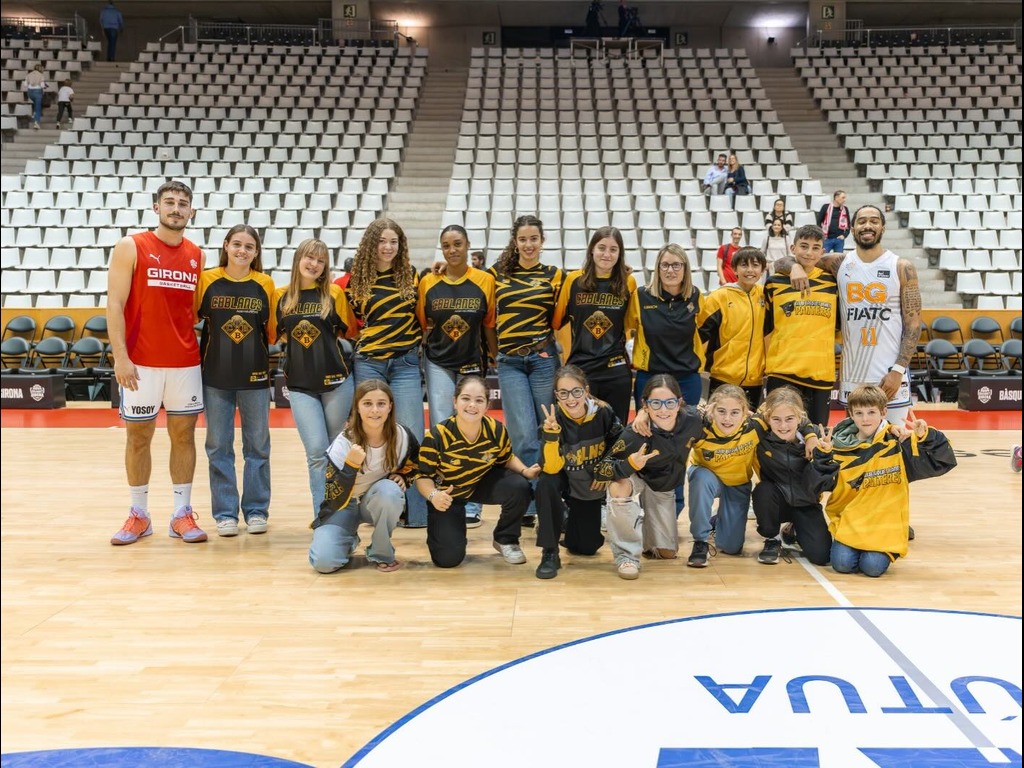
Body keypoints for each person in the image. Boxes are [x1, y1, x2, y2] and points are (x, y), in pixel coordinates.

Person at [108, 180, 207, 546]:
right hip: (141, 363)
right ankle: (139, 514)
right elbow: (114, 305)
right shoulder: (131, 246)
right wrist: (121, 356)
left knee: (184, 436)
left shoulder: (198, 254)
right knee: (138, 437)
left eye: (183, 203)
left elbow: (192, 311)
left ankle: (181, 513)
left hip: (184, 362)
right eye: (170, 202)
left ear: (191, 211)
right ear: (156, 208)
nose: (176, 209)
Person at [787, 205, 921, 425]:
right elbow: (794, 258)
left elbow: (914, 325)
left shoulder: (901, 266)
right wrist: (794, 267)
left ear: (883, 228)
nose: (867, 226)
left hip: (889, 374)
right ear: (852, 228)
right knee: (857, 444)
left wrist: (898, 370)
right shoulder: (838, 263)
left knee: (894, 440)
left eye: (874, 221)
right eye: (862, 221)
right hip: (853, 373)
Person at [812, 385, 956, 577]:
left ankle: (892, 539)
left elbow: (942, 462)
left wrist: (927, 437)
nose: (865, 419)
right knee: (842, 564)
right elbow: (819, 485)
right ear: (851, 415)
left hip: (884, 524)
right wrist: (822, 456)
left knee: (872, 567)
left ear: (884, 412)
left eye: (871, 412)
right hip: (851, 521)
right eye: (859, 413)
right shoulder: (837, 446)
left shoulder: (897, 442)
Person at [195, 225, 276, 537]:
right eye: (237, 244)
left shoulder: (264, 284)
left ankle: (256, 510)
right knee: (218, 446)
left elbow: (269, 332)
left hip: (254, 377)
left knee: (257, 446)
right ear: (226, 245)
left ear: (256, 253)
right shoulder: (207, 280)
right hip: (215, 377)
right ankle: (225, 513)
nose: (243, 251)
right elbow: (192, 318)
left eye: (250, 247)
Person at [347, 218, 427, 527]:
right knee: (371, 436)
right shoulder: (357, 281)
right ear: (371, 244)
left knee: (412, 438)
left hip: (405, 363)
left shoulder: (412, 276)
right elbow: (354, 323)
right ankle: (376, 505)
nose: (388, 247)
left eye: (394, 242)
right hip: (369, 364)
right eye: (382, 241)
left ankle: (418, 515)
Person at [418, 225, 497, 528]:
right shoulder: (429, 281)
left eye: (458, 244)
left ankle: (472, 502)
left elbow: (488, 324)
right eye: (446, 245)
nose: (452, 250)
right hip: (437, 361)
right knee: (442, 428)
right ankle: (443, 495)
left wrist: (494, 355)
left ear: (468, 246)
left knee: (471, 427)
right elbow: (424, 323)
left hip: (470, 363)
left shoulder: (484, 280)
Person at [273, 238, 358, 518]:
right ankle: (324, 516)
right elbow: (278, 335)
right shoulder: (280, 296)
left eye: (321, 260)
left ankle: (343, 513)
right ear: (298, 259)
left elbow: (349, 332)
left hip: (337, 384)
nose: (314, 264)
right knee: (316, 454)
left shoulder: (333, 293)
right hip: (300, 387)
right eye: (310, 258)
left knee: (337, 452)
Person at [416, 376, 540, 568]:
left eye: (479, 400)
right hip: (448, 494)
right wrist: (434, 496)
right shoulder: (437, 435)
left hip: (481, 483)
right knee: (447, 560)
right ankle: (450, 534)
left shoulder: (496, 429)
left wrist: (525, 470)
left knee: (519, 485)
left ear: (487, 404)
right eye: (466, 398)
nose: (472, 405)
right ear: (455, 401)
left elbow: (506, 458)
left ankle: (506, 539)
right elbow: (423, 476)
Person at [489, 215, 565, 527]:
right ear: (515, 242)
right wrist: (497, 354)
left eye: (534, 238)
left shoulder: (554, 275)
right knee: (521, 433)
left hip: (543, 358)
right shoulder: (497, 274)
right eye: (523, 239)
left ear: (542, 241)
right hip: (510, 363)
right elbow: (489, 320)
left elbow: (567, 311)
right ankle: (532, 501)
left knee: (547, 429)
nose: (529, 244)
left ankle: (549, 496)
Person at [310, 380, 420, 573]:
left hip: (374, 501)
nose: (375, 410)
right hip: (344, 505)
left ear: (390, 407)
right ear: (357, 408)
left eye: (381, 403)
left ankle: (381, 551)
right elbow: (333, 496)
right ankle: (348, 538)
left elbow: (417, 465)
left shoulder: (402, 436)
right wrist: (350, 467)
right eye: (367, 403)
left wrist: (404, 476)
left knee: (390, 491)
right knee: (323, 563)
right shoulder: (343, 443)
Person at [605, 375, 703, 578]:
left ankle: (642, 527)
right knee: (619, 487)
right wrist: (630, 465)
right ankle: (626, 556)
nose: (663, 409)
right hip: (636, 477)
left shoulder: (694, 420)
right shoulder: (636, 432)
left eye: (670, 402)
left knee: (666, 553)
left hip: (662, 485)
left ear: (679, 402)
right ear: (645, 404)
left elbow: (723, 419)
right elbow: (603, 468)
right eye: (655, 403)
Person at [534, 365, 624, 579]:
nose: (570, 398)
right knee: (546, 482)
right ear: (556, 395)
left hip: (588, 480)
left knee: (586, 547)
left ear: (586, 389)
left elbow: (619, 444)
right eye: (563, 393)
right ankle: (549, 551)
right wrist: (552, 434)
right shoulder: (551, 421)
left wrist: (606, 469)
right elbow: (551, 467)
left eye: (576, 391)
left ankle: (564, 518)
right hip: (563, 476)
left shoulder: (604, 412)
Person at [553, 226, 637, 423]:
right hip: (582, 369)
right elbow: (557, 322)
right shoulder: (574, 280)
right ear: (591, 249)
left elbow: (630, 323)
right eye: (601, 248)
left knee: (616, 431)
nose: (606, 254)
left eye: (613, 249)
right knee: (581, 432)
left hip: (615, 368)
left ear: (620, 253)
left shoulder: (629, 282)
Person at [763, 224, 838, 425]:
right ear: (793, 248)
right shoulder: (774, 282)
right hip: (782, 372)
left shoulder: (833, 283)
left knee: (817, 439)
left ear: (823, 252)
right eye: (804, 246)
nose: (809, 252)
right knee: (779, 438)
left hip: (820, 374)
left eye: (815, 247)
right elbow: (767, 329)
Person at [750, 386, 832, 566]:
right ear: (768, 418)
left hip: (806, 502)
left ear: (800, 417)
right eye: (776, 419)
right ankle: (772, 539)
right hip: (776, 500)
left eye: (789, 419)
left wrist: (823, 457)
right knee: (763, 490)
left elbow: (827, 484)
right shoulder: (760, 436)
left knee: (822, 557)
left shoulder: (817, 437)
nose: (783, 425)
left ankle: (794, 529)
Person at [699, 246, 768, 409]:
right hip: (723, 378)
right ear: (734, 269)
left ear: (763, 270)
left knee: (750, 429)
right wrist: (698, 369)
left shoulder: (767, 295)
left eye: (755, 265)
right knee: (720, 427)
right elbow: (701, 335)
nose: (750, 270)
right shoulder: (719, 297)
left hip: (755, 380)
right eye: (744, 265)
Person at [816, 190, 851, 254]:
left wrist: (844, 235)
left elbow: (848, 225)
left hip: (839, 240)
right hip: (826, 239)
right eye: (843, 197)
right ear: (836, 197)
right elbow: (818, 222)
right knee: (823, 258)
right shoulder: (825, 207)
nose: (844, 200)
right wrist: (821, 235)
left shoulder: (845, 209)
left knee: (838, 260)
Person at [23, 64, 46, 129]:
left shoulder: (29, 74)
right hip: (37, 92)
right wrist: (45, 86)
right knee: (38, 107)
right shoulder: (41, 75)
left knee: (35, 103)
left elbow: (25, 84)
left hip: (30, 92)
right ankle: (36, 122)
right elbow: (42, 86)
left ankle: (34, 113)